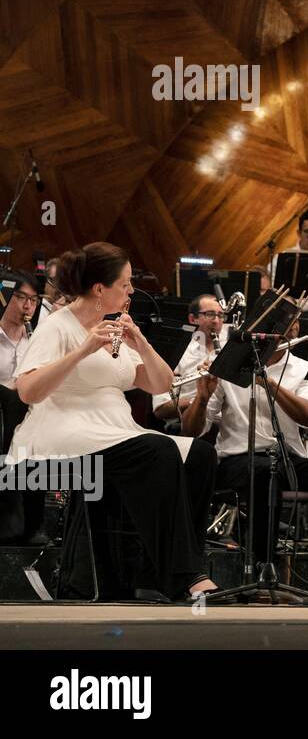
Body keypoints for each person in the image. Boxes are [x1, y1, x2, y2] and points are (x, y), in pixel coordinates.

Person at [10, 243, 217, 600]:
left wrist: (141, 342)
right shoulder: (59, 326)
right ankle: (185, 574)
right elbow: (28, 391)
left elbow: (160, 384)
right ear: (99, 289)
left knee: (200, 454)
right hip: (62, 431)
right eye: (125, 284)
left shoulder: (115, 328)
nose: (132, 291)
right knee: (158, 449)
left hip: (113, 428)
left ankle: (155, 573)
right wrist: (83, 351)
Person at [182, 317, 308, 592]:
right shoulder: (227, 364)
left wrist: (268, 382)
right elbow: (191, 430)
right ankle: (263, 569)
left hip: (289, 460)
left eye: (297, 322)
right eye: (288, 322)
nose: (294, 327)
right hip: (237, 461)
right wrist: (202, 398)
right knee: (265, 471)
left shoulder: (305, 369)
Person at [0, 272, 43, 543]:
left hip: (25, 414)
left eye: (34, 299)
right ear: (5, 297)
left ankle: (33, 523)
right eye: (22, 298)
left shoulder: (36, 339)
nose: (28, 305)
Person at [153, 293, 227, 422]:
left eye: (221, 315)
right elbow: (160, 409)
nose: (216, 321)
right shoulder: (175, 353)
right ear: (193, 319)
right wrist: (199, 400)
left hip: (225, 423)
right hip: (186, 423)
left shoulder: (228, 350)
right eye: (209, 314)